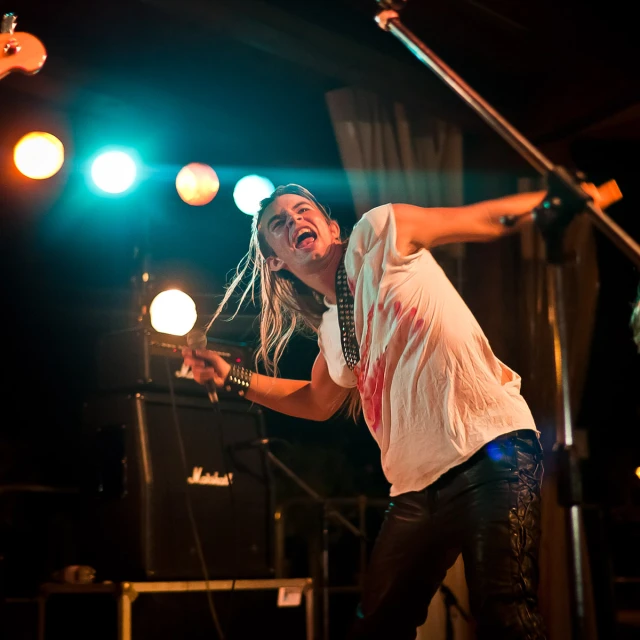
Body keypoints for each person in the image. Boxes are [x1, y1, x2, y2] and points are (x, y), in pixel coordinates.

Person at [182, 182, 603, 639]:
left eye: (303, 211)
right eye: (278, 224)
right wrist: (232, 378)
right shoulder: (329, 329)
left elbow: (480, 216)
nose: (294, 221)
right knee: (376, 626)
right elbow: (317, 400)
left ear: (331, 226)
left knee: (505, 613)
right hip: (416, 488)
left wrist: (552, 203)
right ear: (275, 260)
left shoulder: (378, 233)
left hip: (491, 449)